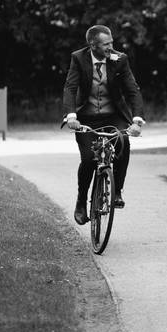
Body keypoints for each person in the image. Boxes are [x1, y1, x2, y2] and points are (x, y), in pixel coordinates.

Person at [63, 25, 145, 225]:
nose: (111, 47)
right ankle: (82, 202)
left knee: (123, 141)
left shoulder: (120, 59)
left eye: (112, 43)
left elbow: (132, 90)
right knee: (89, 160)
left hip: (112, 116)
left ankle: (116, 193)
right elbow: (70, 87)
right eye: (106, 44)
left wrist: (136, 120)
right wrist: (71, 116)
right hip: (86, 118)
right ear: (93, 44)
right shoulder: (78, 58)